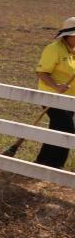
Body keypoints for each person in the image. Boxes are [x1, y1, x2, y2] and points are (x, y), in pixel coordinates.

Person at [34, 17, 75, 168]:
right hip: (52, 96)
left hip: (70, 99)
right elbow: (42, 72)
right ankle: (55, 166)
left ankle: (42, 162)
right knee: (67, 130)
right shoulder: (54, 49)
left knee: (57, 128)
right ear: (68, 35)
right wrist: (56, 86)